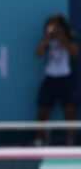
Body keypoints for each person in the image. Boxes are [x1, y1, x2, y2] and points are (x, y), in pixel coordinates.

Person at [34, 13, 79, 145]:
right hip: (50, 77)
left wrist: (62, 37)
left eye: (57, 26)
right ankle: (39, 139)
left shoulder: (71, 37)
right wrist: (47, 38)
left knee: (69, 110)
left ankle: (71, 140)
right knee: (43, 109)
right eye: (51, 26)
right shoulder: (47, 39)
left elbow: (75, 53)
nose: (54, 29)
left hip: (66, 77)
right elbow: (37, 53)